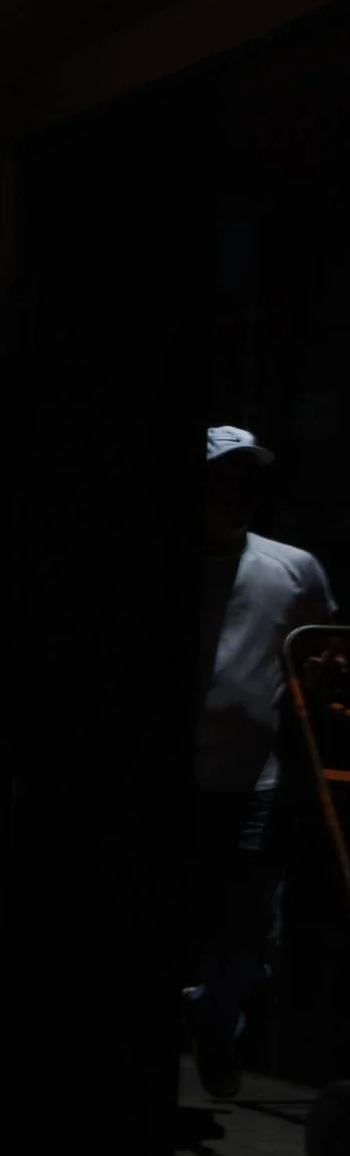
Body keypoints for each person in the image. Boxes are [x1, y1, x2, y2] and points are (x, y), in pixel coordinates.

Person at [192, 424, 335, 1100]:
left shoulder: (292, 566)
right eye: (222, 477)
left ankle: (219, 1026)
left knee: (247, 928)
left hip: (252, 781)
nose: (236, 491)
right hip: (173, 780)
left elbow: (315, 659)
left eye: (246, 479)